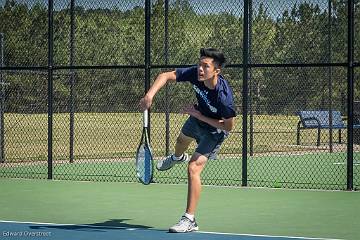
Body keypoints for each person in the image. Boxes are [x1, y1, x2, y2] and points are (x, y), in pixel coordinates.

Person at [139, 48, 236, 233]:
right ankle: (176, 157)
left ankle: (189, 219)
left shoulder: (224, 97)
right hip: (197, 118)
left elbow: (229, 127)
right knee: (181, 141)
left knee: (193, 168)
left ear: (216, 71)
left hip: (215, 130)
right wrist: (149, 95)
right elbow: (165, 75)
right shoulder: (195, 73)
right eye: (200, 64)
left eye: (205, 66)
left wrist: (199, 114)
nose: (200, 69)